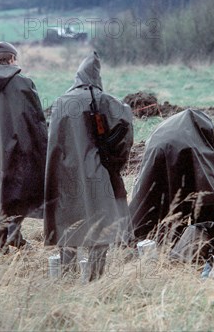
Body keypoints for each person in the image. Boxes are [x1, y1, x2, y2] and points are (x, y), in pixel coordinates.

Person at [44, 51, 133, 281]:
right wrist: (116, 162)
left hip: (65, 175)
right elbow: (125, 123)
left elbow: (52, 145)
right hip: (97, 173)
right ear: (96, 75)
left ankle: (66, 276)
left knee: (68, 226)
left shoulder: (60, 102)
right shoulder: (103, 99)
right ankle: (94, 279)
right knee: (101, 229)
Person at [0, 41, 47, 253]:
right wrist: (42, 146)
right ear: (12, 59)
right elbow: (36, 120)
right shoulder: (24, 83)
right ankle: (14, 233)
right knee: (19, 191)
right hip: (19, 148)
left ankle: (3, 242)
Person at [129, 109, 214, 244]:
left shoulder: (173, 130)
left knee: (150, 193)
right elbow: (209, 190)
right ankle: (176, 240)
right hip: (176, 149)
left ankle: (143, 239)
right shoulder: (197, 142)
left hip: (157, 148)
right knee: (183, 192)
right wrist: (209, 226)